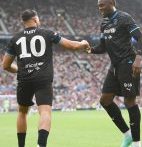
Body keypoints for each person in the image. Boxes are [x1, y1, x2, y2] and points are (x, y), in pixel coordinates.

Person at [2, 9, 90, 147]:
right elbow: (71, 46)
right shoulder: (47, 33)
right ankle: (41, 145)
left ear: (23, 22)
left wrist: (20, 69)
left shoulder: (15, 39)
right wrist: (83, 43)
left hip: (24, 79)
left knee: (22, 112)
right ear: (36, 20)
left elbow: (5, 65)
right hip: (43, 78)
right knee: (44, 111)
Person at [86, 0, 142, 147]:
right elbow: (102, 46)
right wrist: (90, 49)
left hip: (128, 62)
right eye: (98, 6)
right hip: (115, 66)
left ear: (112, 4)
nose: (100, 8)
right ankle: (128, 135)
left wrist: (138, 58)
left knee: (129, 101)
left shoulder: (124, 18)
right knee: (105, 100)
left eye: (102, 5)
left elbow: (140, 37)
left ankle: (137, 144)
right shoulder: (104, 24)